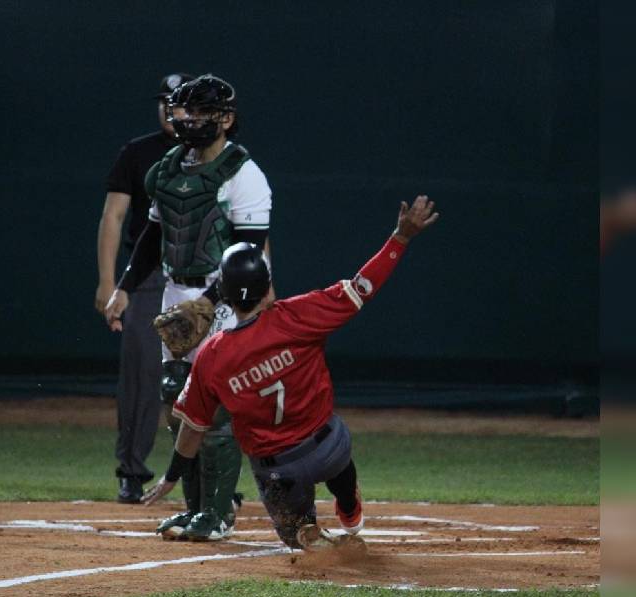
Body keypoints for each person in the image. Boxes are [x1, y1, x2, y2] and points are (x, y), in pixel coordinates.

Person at [142, 195, 440, 549]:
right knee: (339, 448)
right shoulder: (298, 315)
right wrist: (400, 239)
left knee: (297, 537)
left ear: (223, 293)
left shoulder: (212, 355)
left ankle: (305, 531)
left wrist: (172, 476)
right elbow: (363, 286)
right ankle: (348, 503)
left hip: (277, 470)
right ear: (267, 286)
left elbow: (193, 429)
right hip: (326, 446)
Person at [105, 74, 273, 540]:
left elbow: (247, 256)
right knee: (178, 402)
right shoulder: (168, 167)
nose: (189, 119)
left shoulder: (244, 173)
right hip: (173, 290)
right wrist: (124, 286)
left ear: (226, 119)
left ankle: (219, 513)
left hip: (221, 298)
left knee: (214, 410)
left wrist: (209, 304)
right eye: (184, 111)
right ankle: (195, 508)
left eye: (201, 112)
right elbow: (152, 236)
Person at [97, 72, 194, 503]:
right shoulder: (139, 153)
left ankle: (207, 480)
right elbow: (114, 218)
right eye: (166, 102)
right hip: (149, 275)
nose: (171, 109)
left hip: (203, 278)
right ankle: (132, 472)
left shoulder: (217, 156)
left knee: (209, 376)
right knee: (140, 374)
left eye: (180, 102)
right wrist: (109, 282)